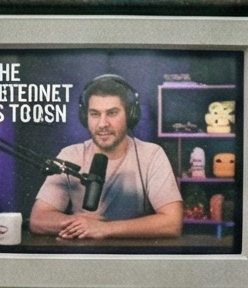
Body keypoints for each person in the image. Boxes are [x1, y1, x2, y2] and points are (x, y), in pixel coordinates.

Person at [28, 75, 184, 241]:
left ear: (130, 115)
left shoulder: (152, 155)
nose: (102, 123)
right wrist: (82, 225)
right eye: (94, 114)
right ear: (84, 116)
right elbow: (38, 219)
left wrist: (104, 228)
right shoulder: (70, 155)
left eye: (112, 113)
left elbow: (172, 223)